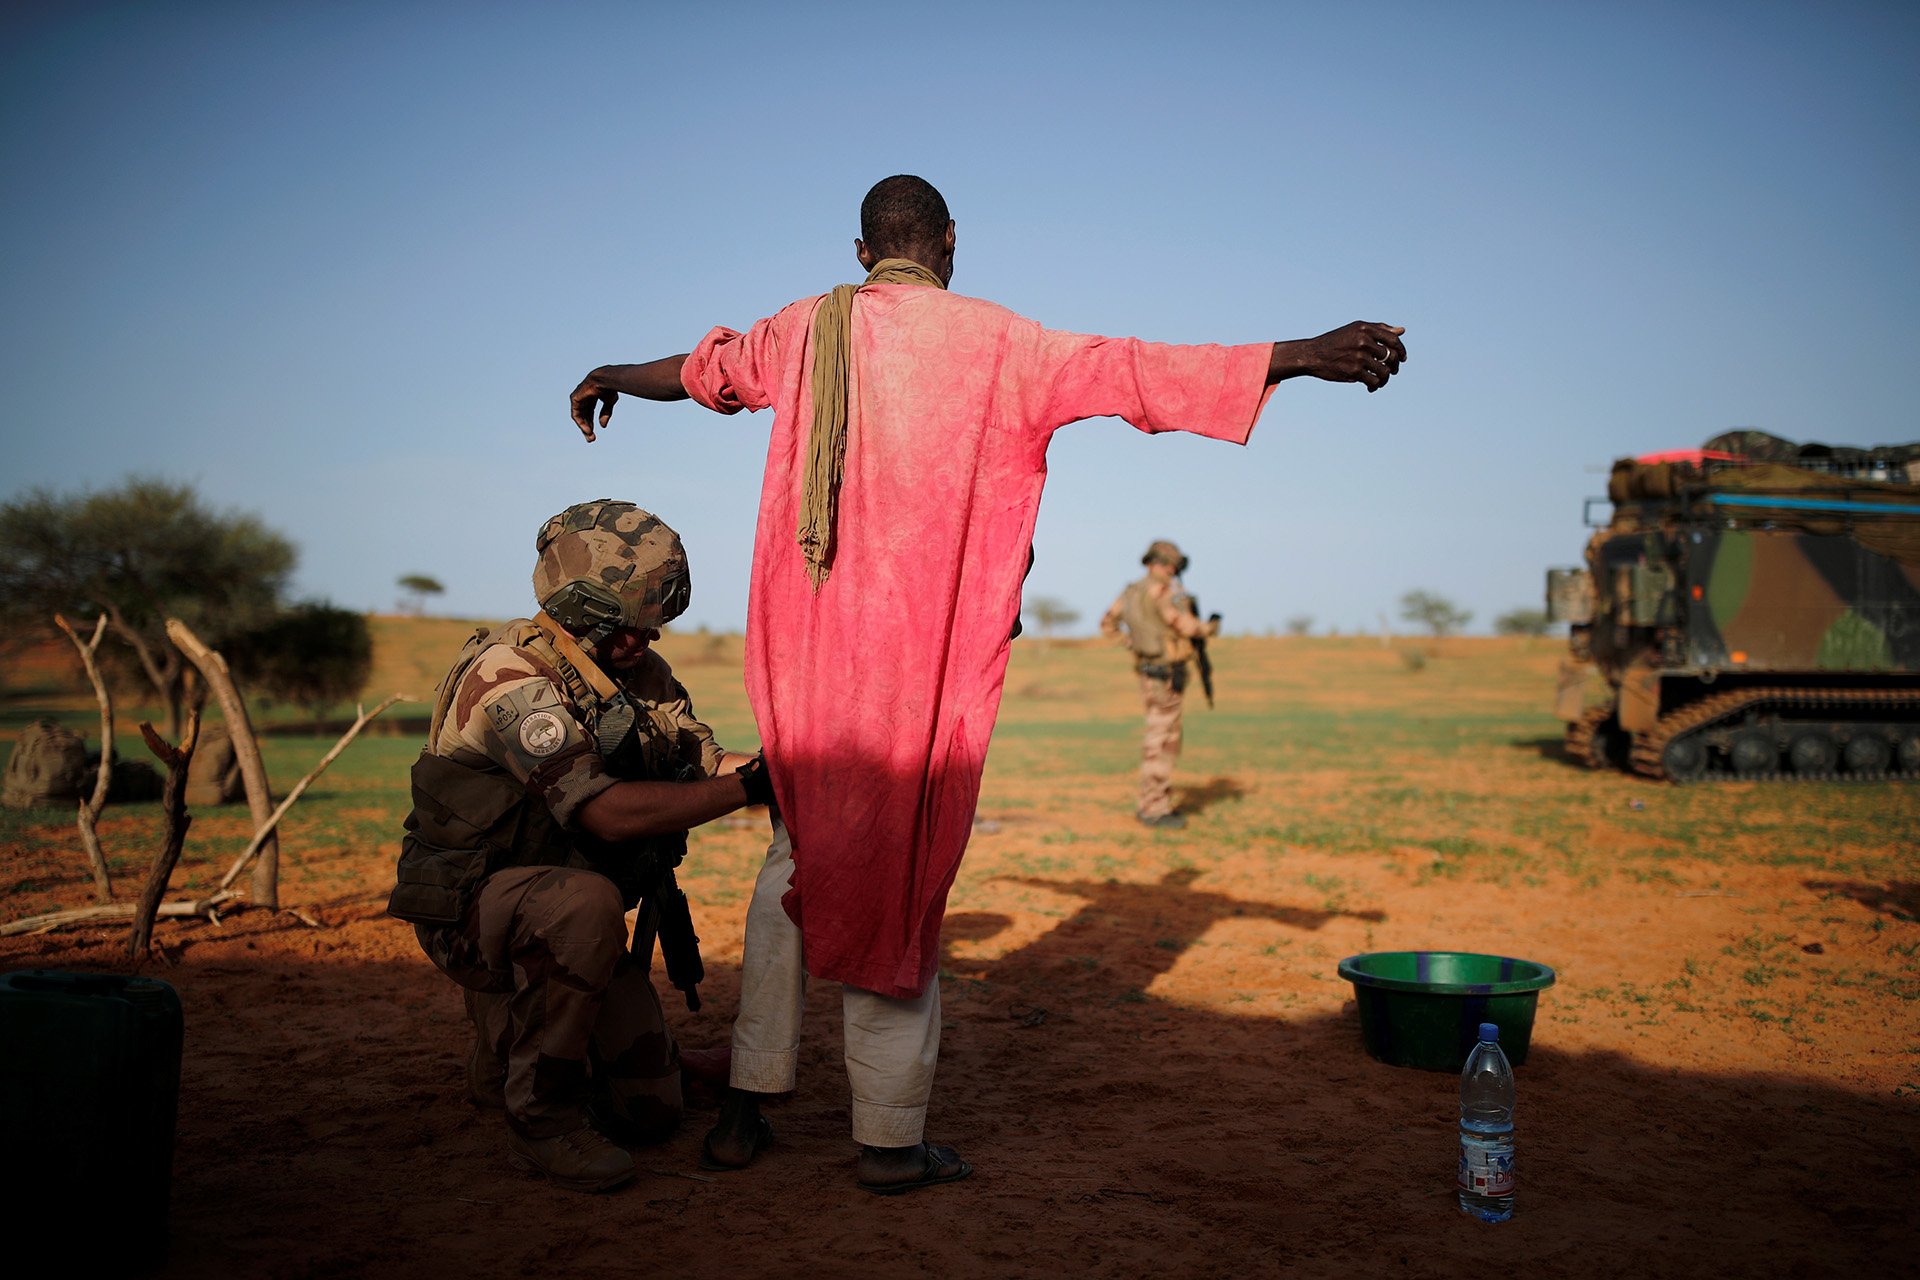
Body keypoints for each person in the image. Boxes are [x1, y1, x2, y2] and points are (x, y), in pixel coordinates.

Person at [564, 175, 1407, 1192]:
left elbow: (702, 371)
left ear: (864, 248)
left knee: (797, 855)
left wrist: (612, 368)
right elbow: (1138, 372)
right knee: (903, 873)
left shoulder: (802, 330)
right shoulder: (1003, 342)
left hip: (814, 661)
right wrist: (1307, 354)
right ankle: (887, 1138)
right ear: (950, 242)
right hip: (924, 667)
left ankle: (746, 1108)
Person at [387, 499, 773, 1193]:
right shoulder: (509, 678)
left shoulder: (639, 674)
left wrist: (791, 772)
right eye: (630, 622)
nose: (646, 637)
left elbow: (707, 760)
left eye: (653, 623)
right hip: (479, 911)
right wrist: (757, 789)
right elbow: (608, 817)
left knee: (654, 1113)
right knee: (586, 903)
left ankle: (519, 1048)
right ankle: (541, 1119)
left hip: (563, 912)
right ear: (580, 605)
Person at [1100, 539, 1219, 829]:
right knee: (1162, 740)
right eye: (1171, 564)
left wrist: (1136, 645)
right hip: (1167, 674)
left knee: (1158, 735)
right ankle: (1154, 807)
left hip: (1147, 671)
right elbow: (1187, 626)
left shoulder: (1130, 592)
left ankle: (1152, 803)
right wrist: (1211, 627)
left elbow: (1108, 624)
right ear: (1163, 564)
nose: (1173, 570)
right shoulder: (1166, 592)